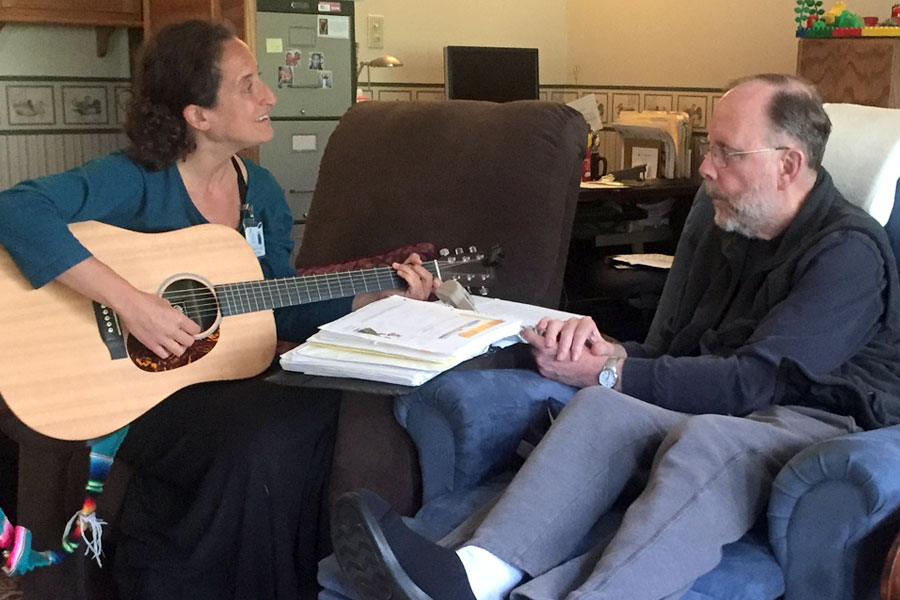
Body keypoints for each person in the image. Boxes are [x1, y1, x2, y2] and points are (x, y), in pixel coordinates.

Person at [328, 73, 900, 600]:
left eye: (727, 153)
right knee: (602, 407)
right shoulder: (734, 231)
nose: (706, 168)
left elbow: (758, 383)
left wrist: (614, 371)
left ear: (788, 164)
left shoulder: (848, 253)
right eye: (709, 148)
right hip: (729, 404)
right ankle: (474, 575)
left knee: (705, 440)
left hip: (815, 417)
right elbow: (678, 352)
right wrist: (606, 352)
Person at [0, 20, 437, 600]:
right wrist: (131, 303)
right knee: (259, 437)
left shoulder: (262, 192)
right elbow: (16, 209)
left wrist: (371, 297)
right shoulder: (136, 180)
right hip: (133, 391)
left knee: (318, 413)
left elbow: (277, 306)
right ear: (198, 115)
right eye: (248, 84)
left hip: (217, 377)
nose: (269, 96)